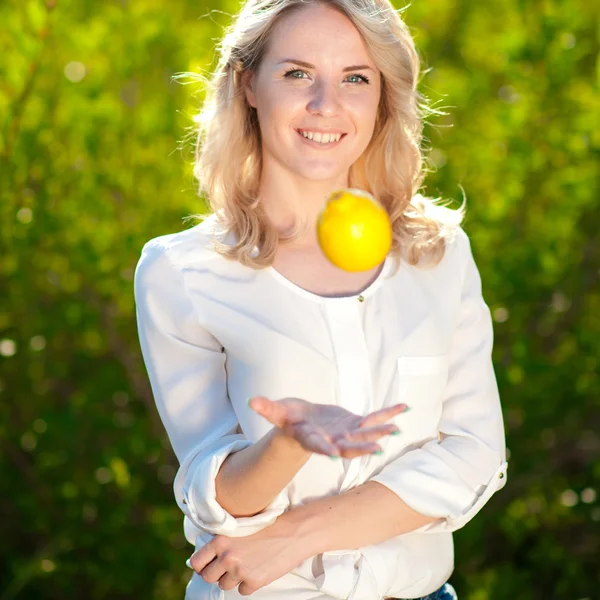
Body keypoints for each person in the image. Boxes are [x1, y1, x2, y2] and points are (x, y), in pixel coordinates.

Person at [133, 0, 509, 598]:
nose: (324, 105)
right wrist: (287, 444)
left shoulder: (437, 256)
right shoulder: (183, 272)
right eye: (297, 73)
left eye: (354, 78)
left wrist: (299, 534)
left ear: (383, 94)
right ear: (248, 84)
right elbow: (217, 495)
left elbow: (473, 454)